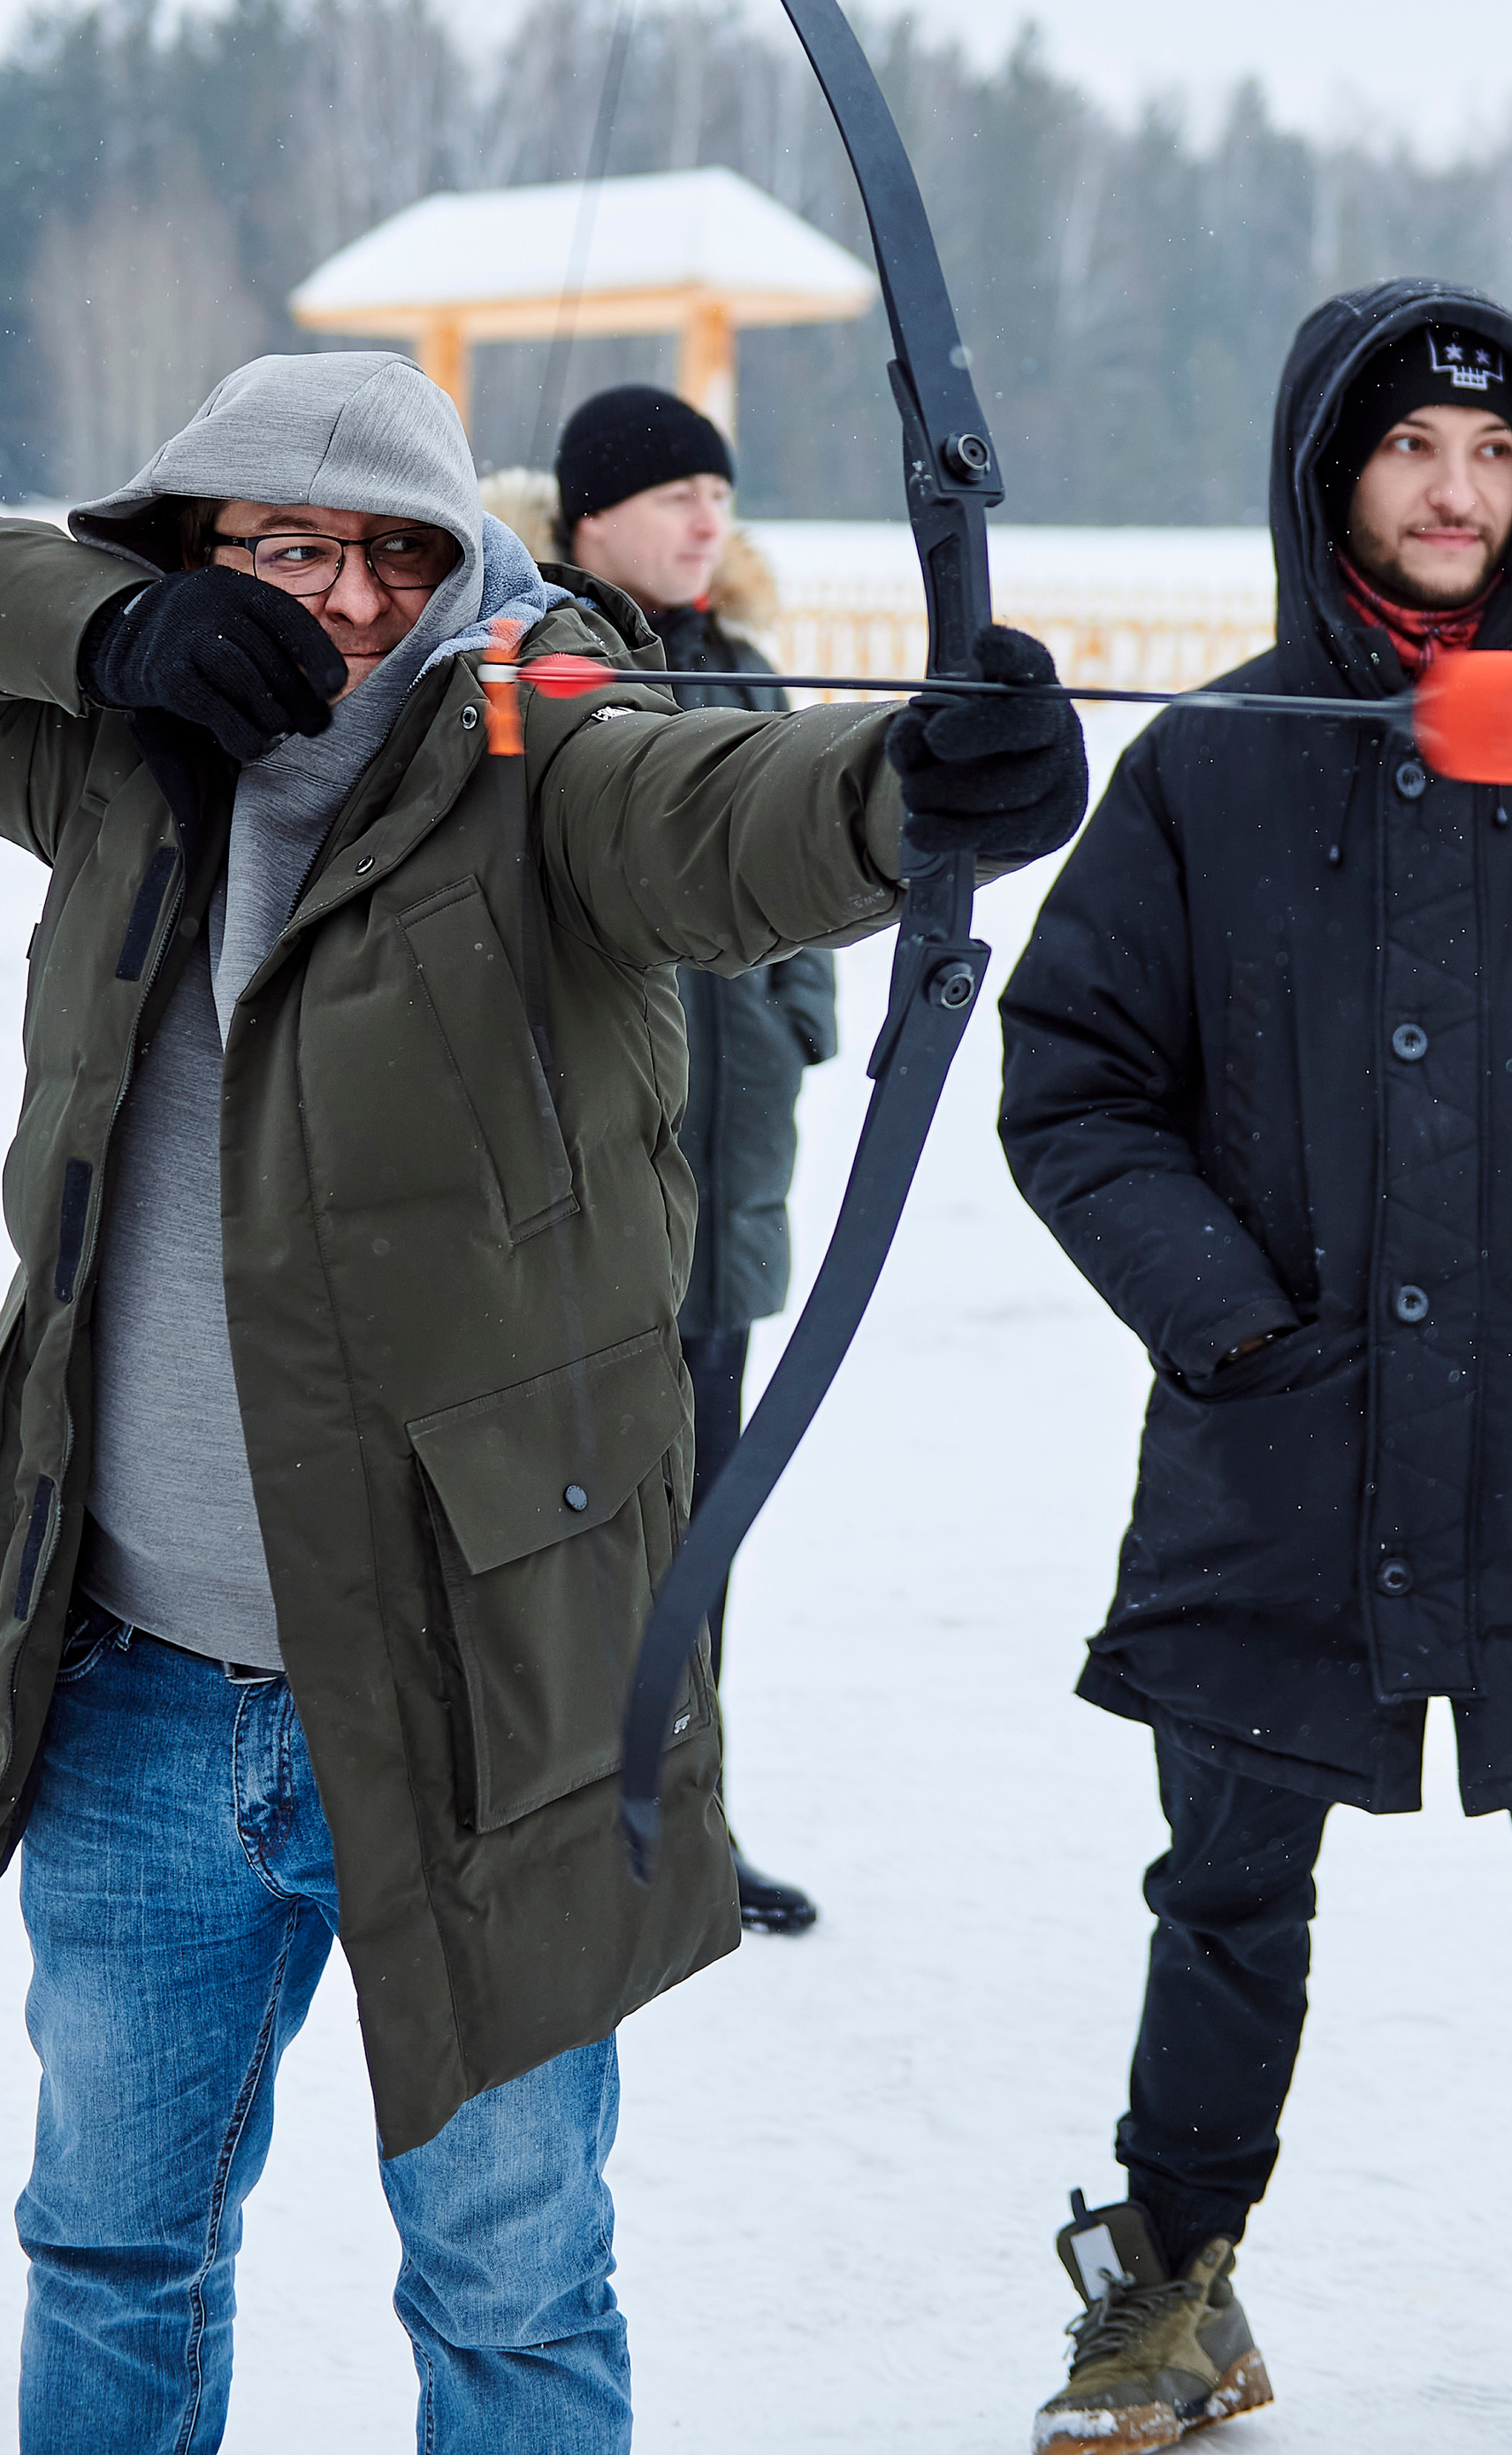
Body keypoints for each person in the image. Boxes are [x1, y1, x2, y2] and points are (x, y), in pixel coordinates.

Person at [0, 349, 1083, 2454]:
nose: (336, 599)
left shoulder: (540, 750)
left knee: (507, 2293)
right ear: (195, 553)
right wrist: (113, 629)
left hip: (470, 1693)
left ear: (458, 566)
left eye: (388, 556)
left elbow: (720, 819)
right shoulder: (118, 764)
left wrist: (904, 799)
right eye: (275, 551)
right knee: (111, 2249)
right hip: (131, 1683)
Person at [997, 282, 1512, 2455]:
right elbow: (1074, 1080)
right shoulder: (1211, 765)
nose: (1452, 494)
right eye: (1406, 453)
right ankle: (1165, 2306)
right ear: (1327, 477)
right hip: (1274, 1455)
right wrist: (1229, 1322)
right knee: (1221, 1900)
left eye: (1486, 458)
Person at [552, 382, 837, 1937]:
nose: (706, 520)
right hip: (594, 1204)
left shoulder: (745, 674)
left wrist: (795, 1018)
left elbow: (812, 865)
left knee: (705, 1525)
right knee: (586, 1531)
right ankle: (566, 1828)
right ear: (593, 514)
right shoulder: (550, 665)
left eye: (718, 496)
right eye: (675, 495)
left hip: (728, 1193)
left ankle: (682, 1815)